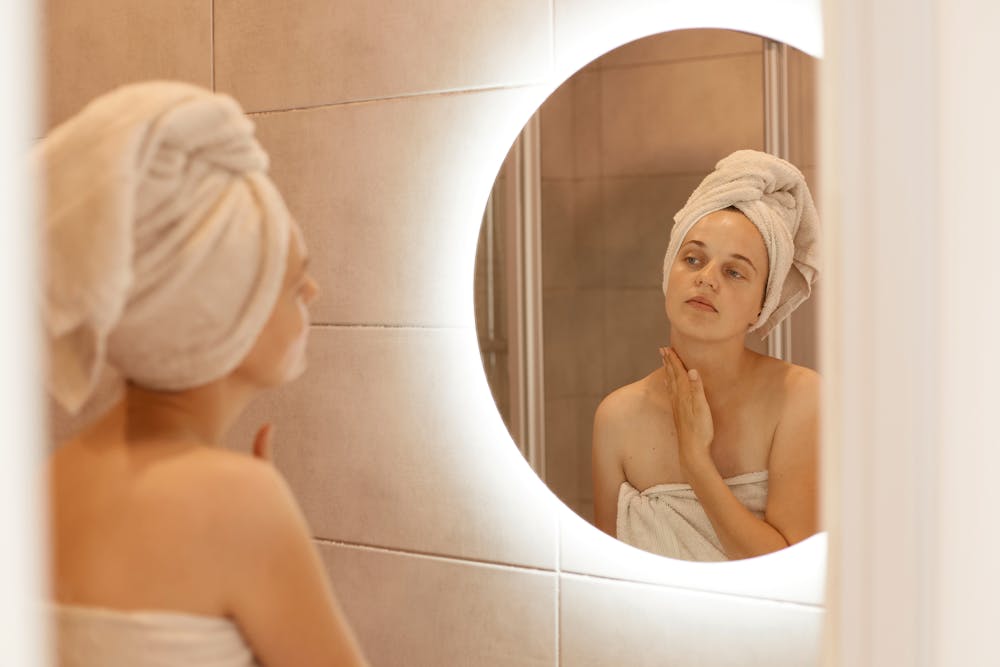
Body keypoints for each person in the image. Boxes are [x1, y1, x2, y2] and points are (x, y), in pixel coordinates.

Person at [41, 81, 369, 666]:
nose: (314, 292)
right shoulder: (243, 501)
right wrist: (255, 513)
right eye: (296, 281)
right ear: (225, 313)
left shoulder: (47, 482)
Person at [591, 150, 821, 562]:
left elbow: (788, 574)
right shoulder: (616, 418)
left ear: (761, 306)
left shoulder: (799, 398)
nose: (705, 278)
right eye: (693, 258)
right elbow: (610, 581)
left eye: (734, 272)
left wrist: (697, 464)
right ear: (669, 273)